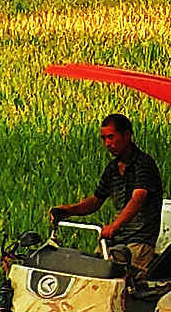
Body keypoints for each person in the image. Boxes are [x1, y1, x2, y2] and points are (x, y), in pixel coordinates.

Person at [49, 112, 164, 271]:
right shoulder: (112, 169)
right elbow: (96, 201)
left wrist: (114, 226)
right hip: (115, 241)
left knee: (125, 284)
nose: (107, 144)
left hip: (138, 241)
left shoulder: (143, 164)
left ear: (127, 135)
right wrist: (69, 210)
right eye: (104, 139)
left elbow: (139, 197)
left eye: (111, 137)